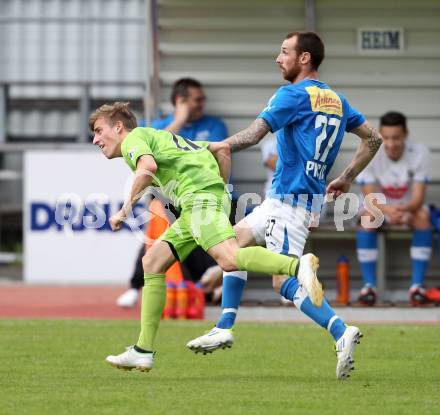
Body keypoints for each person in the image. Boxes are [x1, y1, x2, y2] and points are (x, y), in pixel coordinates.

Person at [186, 31, 383, 380]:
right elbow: (374, 138)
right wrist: (348, 176)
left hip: (289, 202)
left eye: (284, 52)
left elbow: (253, 135)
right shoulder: (337, 100)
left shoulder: (292, 94)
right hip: (290, 200)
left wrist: (215, 147)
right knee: (231, 245)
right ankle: (225, 325)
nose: (278, 58)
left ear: (304, 58)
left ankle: (340, 331)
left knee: (283, 284)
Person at [89, 101, 324, 373]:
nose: (96, 139)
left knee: (229, 259)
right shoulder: (164, 137)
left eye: (98, 130)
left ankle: (297, 266)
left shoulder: (135, 139)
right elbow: (221, 148)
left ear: (118, 127)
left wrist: (124, 210)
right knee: (152, 262)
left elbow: (147, 167)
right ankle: (143, 350)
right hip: (197, 205)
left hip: (198, 201)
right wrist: (222, 193)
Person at [116, 78, 228, 308]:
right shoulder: (155, 127)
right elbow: (148, 158)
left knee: (185, 231)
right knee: (159, 226)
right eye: (197, 100)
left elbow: (207, 155)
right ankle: (137, 286)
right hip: (167, 195)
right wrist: (179, 121)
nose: (202, 104)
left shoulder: (214, 125)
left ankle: (140, 287)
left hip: (202, 191)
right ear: (180, 101)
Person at [355, 111, 432, 306]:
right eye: (386, 137)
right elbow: (370, 197)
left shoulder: (420, 152)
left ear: (405, 134)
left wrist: (402, 210)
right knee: (367, 219)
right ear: (380, 134)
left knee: (423, 217)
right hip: (378, 208)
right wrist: (390, 211)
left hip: (408, 209)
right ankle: (369, 287)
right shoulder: (369, 150)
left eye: (396, 138)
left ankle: (417, 287)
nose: (391, 143)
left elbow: (418, 197)